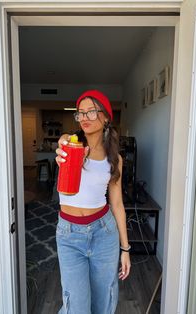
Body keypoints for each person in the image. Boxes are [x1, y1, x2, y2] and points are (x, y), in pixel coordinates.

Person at [55, 90, 131, 314]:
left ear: (106, 117)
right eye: (81, 113)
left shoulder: (115, 159)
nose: (85, 117)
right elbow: (62, 142)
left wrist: (125, 249)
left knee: (104, 302)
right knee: (76, 306)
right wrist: (62, 147)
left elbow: (117, 205)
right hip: (69, 235)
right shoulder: (71, 145)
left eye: (91, 111)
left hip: (103, 232)